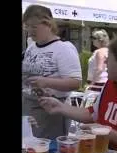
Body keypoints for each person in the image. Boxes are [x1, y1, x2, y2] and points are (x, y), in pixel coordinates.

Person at [22, 5, 82, 140]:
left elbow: (75, 83)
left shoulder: (64, 48)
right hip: (28, 106)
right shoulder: (31, 47)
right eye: (27, 27)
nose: (30, 31)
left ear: (48, 24)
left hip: (51, 109)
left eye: (34, 27)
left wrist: (46, 81)